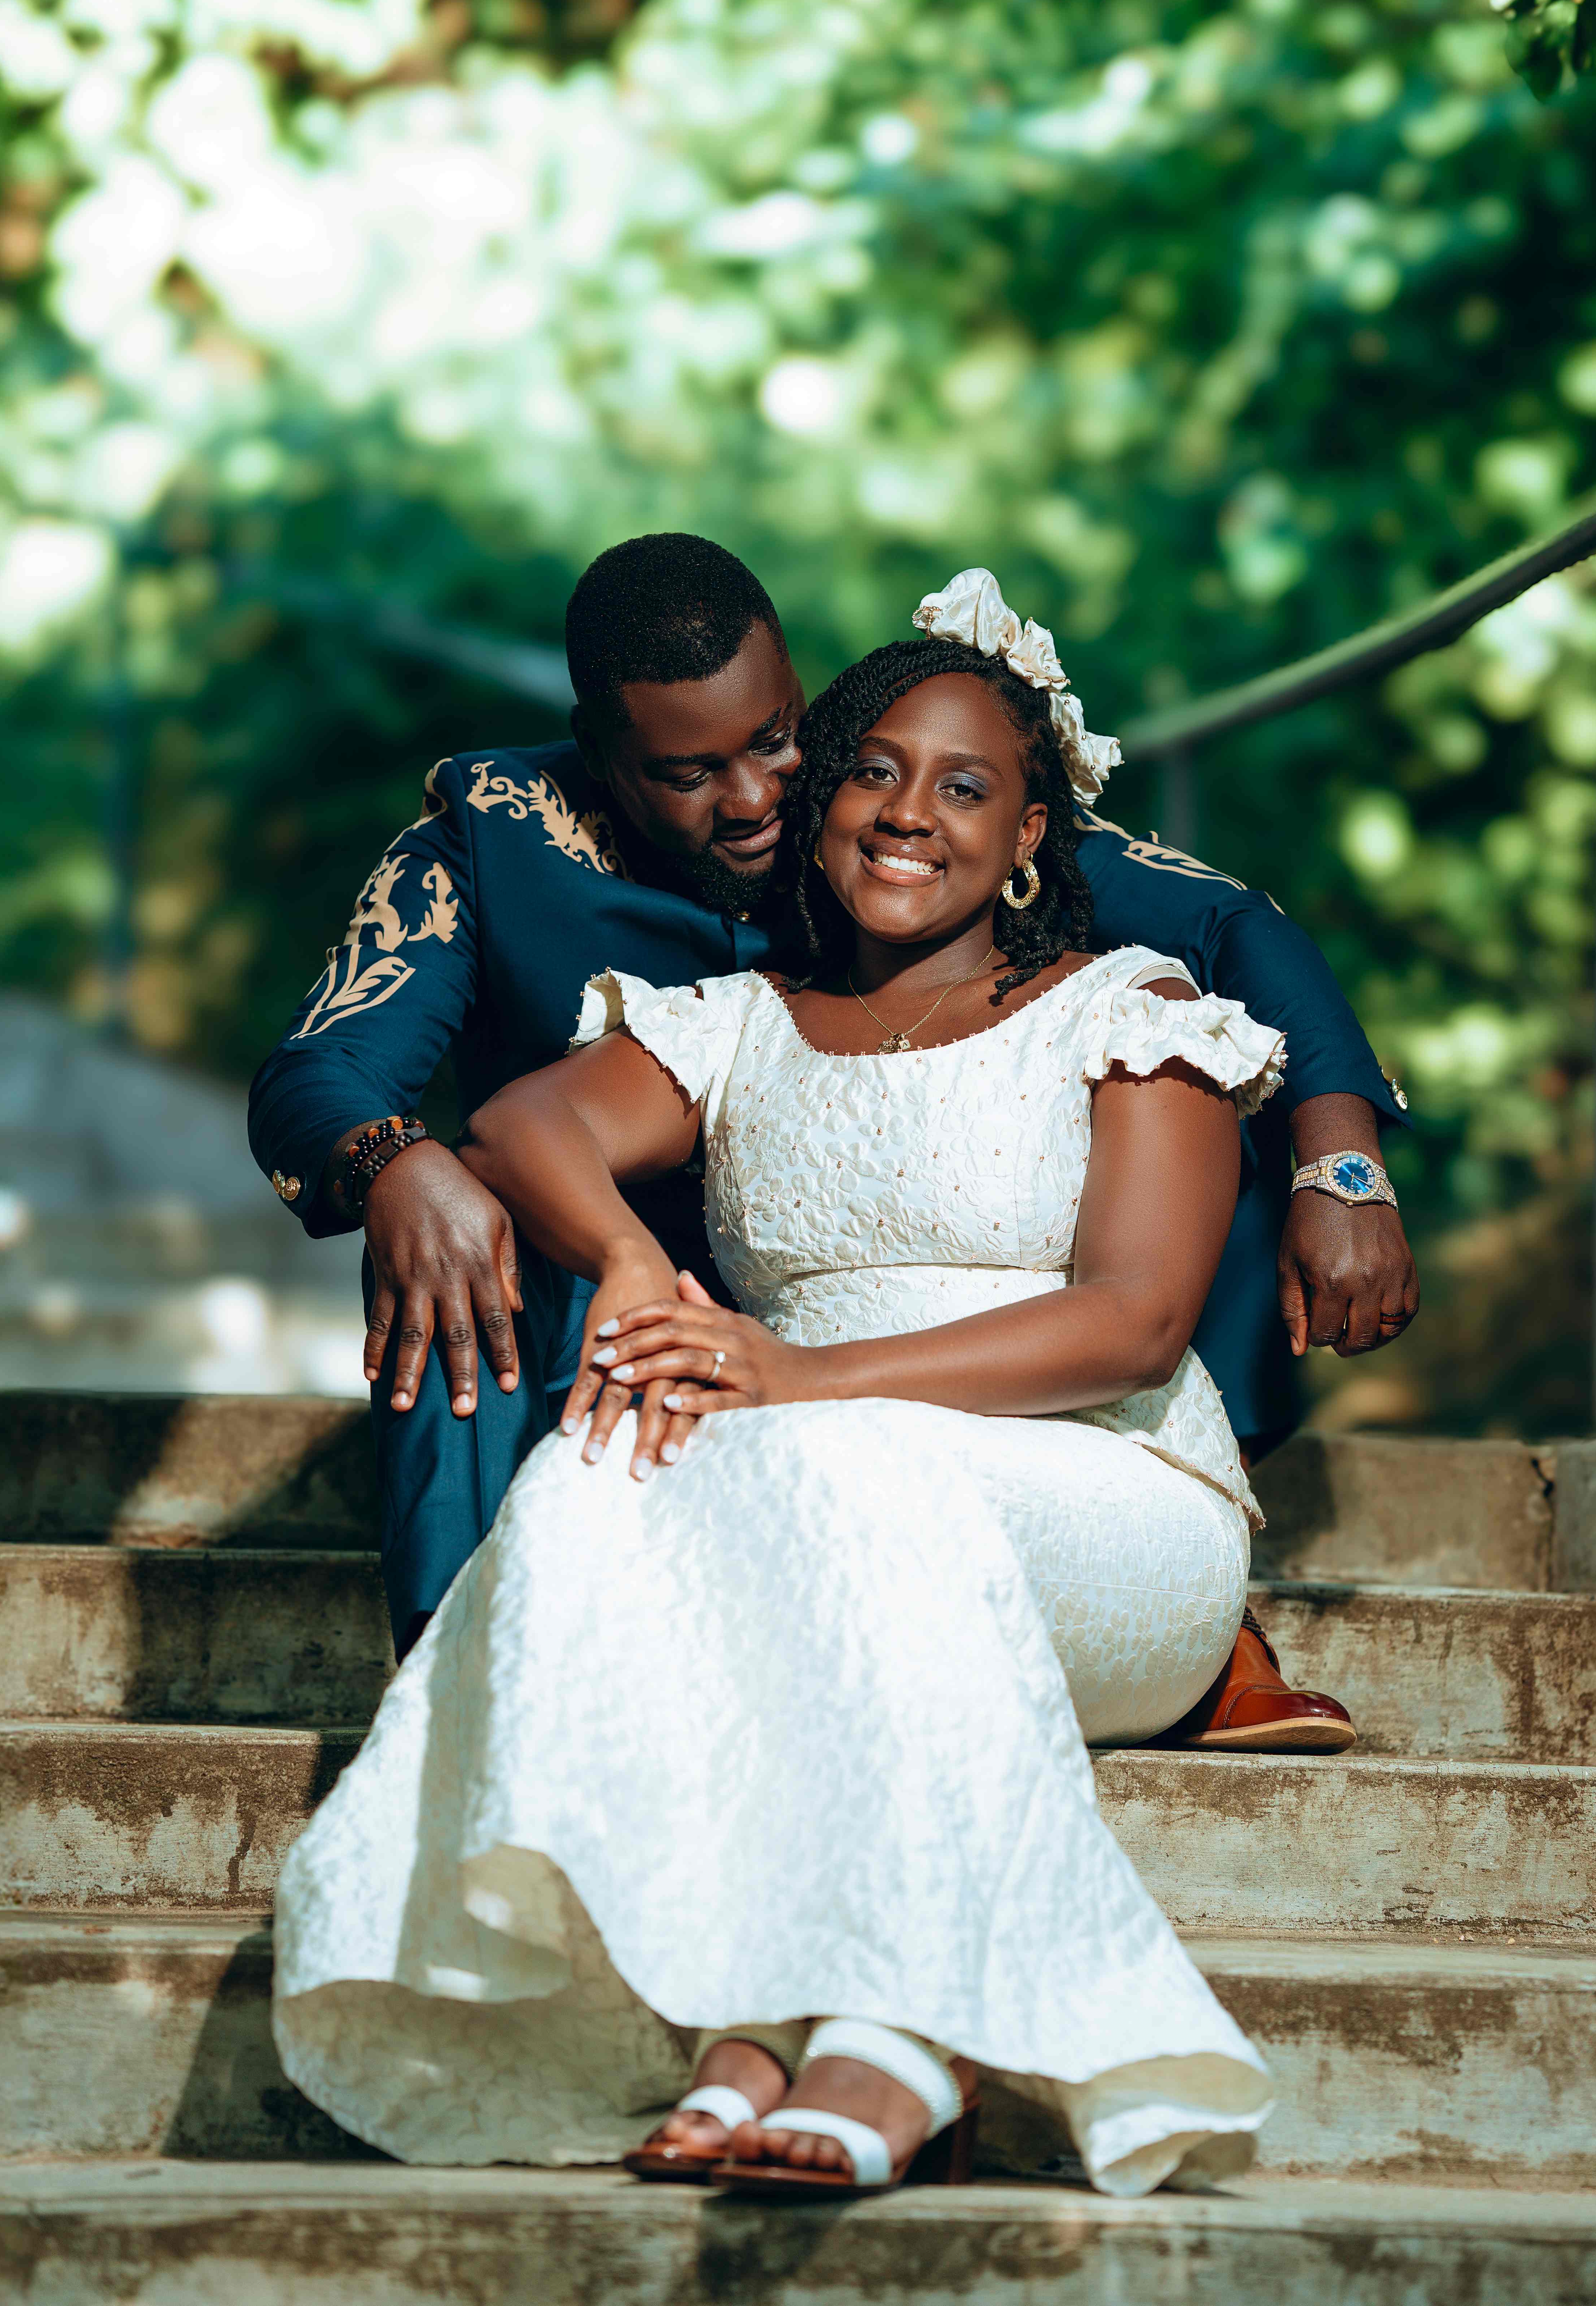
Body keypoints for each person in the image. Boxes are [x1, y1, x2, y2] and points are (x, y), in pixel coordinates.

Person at [270, 580, 1304, 2196]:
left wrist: (801, 1374)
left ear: (1032, 832)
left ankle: (903, 2033)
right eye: (874, 772)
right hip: (820, 1475)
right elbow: (526, 1127)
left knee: (841, 1468)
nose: (908, 814)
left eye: (964, 785)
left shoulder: (1134, 1012)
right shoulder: (741, 1025)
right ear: (824, 806)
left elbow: (1131, 1323)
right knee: (605, 1463)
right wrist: (622, 1261)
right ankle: (750, 2024)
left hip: (1106, 1497)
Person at [248, 534, 1417, 1659]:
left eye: (776, 737)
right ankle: (453, 1674)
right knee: (455, 1226)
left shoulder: (878, 789)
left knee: (1190, 1087)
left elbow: (1227, 923)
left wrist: (1342, 1158)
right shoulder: (491, 833)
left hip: (951, 1346)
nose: (758, 797)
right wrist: (405, 1167)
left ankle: (1172, 1584)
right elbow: (322, 1067)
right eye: (692, 772)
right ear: (601, 754)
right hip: (611, 1288)